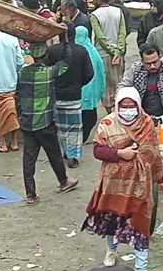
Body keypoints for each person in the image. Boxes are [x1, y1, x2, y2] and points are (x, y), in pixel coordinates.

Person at [83, 87, 163, 271]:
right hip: (114, 183)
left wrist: (159, 178)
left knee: (141, 223)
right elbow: (97, 150)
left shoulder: (146, 123)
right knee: (113, 217)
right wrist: (120, 153)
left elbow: (153, 153)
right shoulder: (108, 123)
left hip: (140, 185)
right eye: (124, 107)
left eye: (131, 107)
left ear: (138, 105)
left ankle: (141, 269)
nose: (128, 110)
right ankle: (111, 250)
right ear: (117, 106)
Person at [119, 43, 163, 203]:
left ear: (160, 56)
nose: (152, 66)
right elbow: (123, 86)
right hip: (142, 121)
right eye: (148, 63)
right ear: (142, 61)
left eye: (155, 62)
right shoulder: (135, 69)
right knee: (137, 152)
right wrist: (120, 103)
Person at [16, 42, 81, 204]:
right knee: (54, 154)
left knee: (28, 159)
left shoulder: (22, 73)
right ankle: (64, 181)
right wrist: (65, 42)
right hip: (45, 122)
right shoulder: (49, 72)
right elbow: (66, 62)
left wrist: (20, 114)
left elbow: (17, 95)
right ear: (46, 56)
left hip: (28, 122)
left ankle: (31, 194)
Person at [49, 23, 95, 168]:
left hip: (56, 95)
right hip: (74, 96)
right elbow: (89, 73)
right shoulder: (81, 51)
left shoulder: (51, 51)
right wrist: (78, 84)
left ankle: (65, 151)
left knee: (60, 126)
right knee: (74, 127)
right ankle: (73, 156)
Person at [90, 0, 127, 112]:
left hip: (103, 54)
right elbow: (122, 33)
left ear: (98, 0)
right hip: (119, 54)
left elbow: (100, 38)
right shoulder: (119, 11)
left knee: (106, 86)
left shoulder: (95, 15)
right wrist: (118, 51)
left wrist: (111, 51)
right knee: (119, 83)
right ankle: (120, 110)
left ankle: (109, 113)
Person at [77, 24, 106, 144]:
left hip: (75, 94)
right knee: (90, 117)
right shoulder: (93, 52)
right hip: (90, 93)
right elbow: (101, 71)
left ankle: (78, 138)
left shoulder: (72, 51)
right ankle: (83, 137)